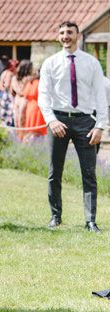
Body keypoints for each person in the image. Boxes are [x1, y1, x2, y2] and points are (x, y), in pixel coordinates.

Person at [41, 18, 107, 231]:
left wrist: (100, 126)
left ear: (78, 36)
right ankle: (55, 216)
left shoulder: (91, 63)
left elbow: (101, 97)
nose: (65, 36)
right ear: (58, 36)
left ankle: (90, 220)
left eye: (70, 32)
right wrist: (51, 120)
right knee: (54, 172)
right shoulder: (50, 63)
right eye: (62, 33)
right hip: (58, 120)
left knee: (89, 173)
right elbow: (43, 96)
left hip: (85, 122)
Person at [14, 60, 45, 139]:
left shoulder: (32, 82)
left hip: (30, 110)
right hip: (39, 111)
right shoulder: (41, 83)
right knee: (37, 135)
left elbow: (25, 99)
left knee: (30, 134)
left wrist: (21, 114)